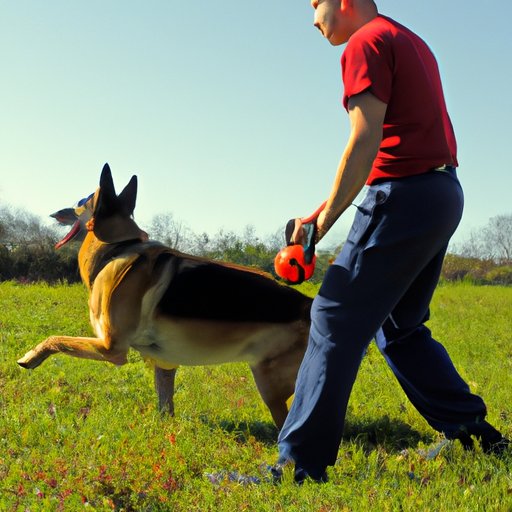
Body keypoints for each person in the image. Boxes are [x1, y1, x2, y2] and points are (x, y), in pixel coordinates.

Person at [273, 0, 508, 484]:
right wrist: (319, 212)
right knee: (400, 326)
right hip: (440, 192)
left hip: (402, 196)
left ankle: (297, 466)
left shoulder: (365, 42)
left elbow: (365, 141)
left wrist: (322, 228)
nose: (312, 19)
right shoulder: (409, 39)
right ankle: (472, 433)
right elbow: (392, 145)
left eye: (314, 4)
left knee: (333, 315)